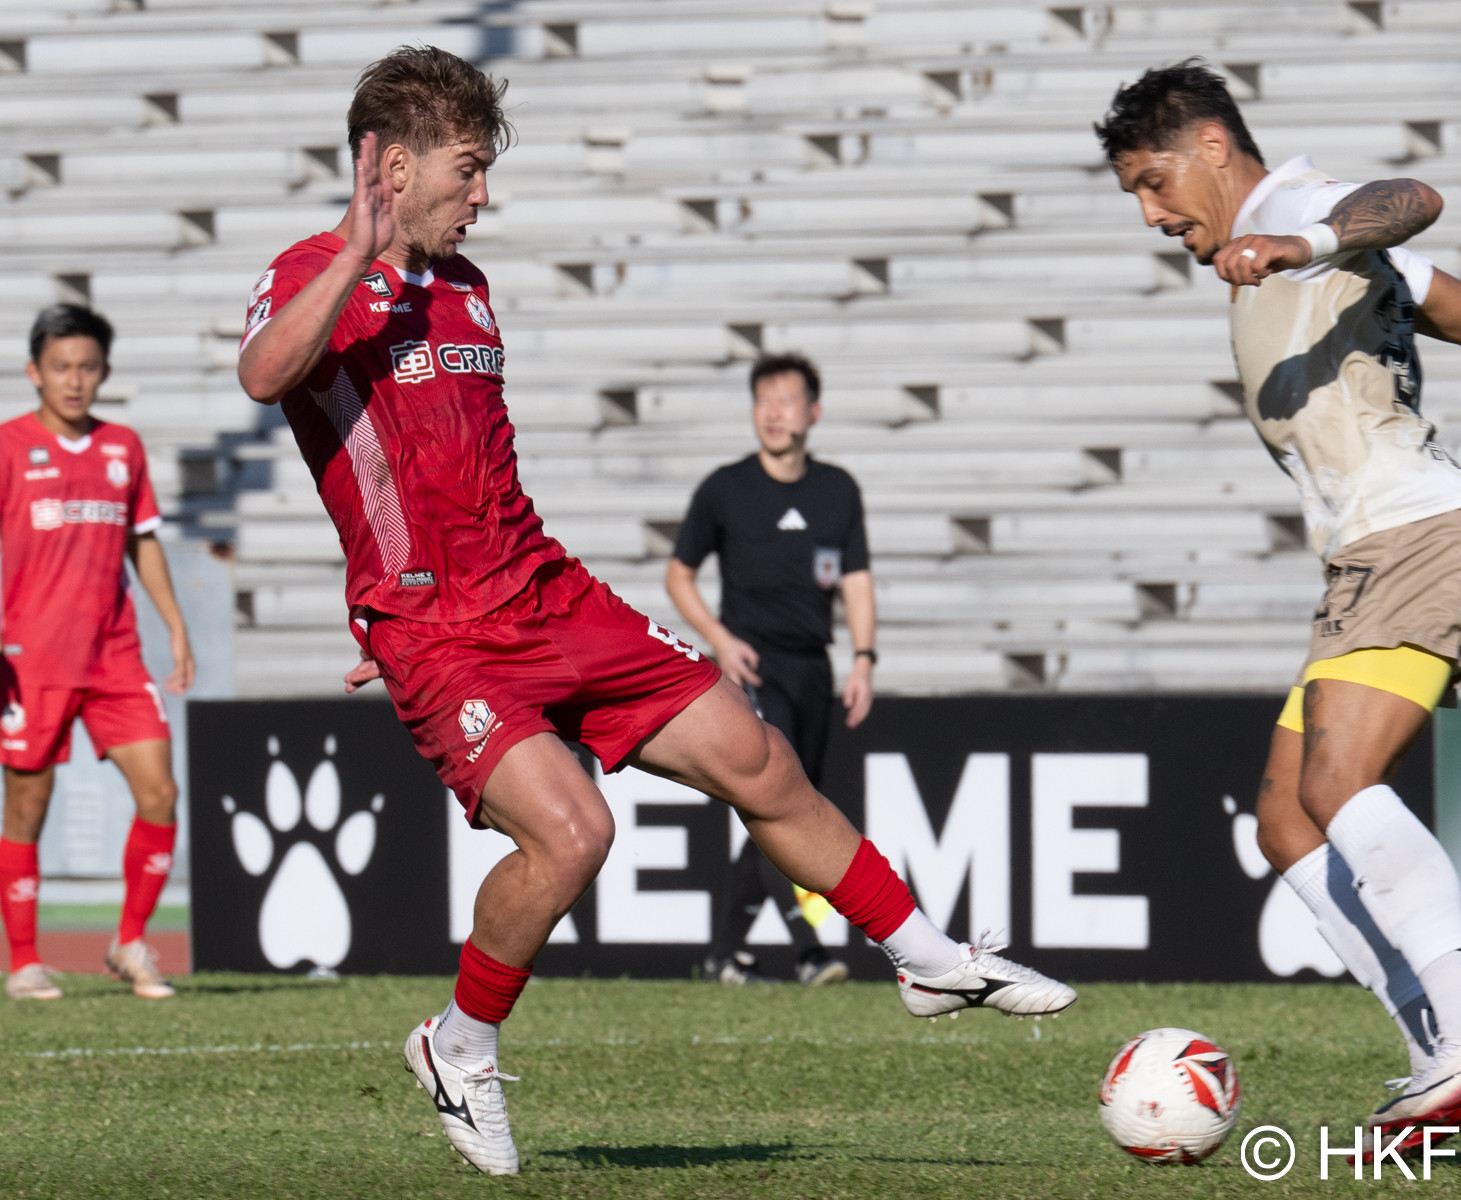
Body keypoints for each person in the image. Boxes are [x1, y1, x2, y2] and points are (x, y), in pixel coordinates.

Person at [235, 47, 1074, 1177]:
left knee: (758, 758)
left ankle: (926, 957)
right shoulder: (310, 273)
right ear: (392, 168)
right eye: (469, 169)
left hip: (545, 593)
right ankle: (458, 1046)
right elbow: (263, 375)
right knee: (576, 833)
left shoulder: (467, 286)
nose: (483, 194)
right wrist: (353, 252)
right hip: (440, 634)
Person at [1097, 60, 1461, 1146]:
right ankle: (1443, 1053)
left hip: (1414, 535)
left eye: (1154, 182)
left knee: (1338, 784)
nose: (1151, 214)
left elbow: (1413, 196)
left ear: (1211, 148)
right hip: (1373, 552)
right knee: (1289, 818)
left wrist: (1298, 242)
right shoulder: (1334, 255)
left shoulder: (1301, 210)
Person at [0, 304, 194, 1002]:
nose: (75, 380)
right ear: (35, 372)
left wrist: (174, 624)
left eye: (87, 367)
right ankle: (26, 961)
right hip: (32, 660)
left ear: (104, 372)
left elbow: (143, 541)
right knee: (27, 806)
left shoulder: (123, 447)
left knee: (160, 793)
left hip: (115, 656)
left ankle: (131, 943)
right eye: (61, 367)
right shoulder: (9, 446)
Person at [667, 352, 873, 988]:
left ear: (814, 412)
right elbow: (679, 574)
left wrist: (863, 659)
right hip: (751, 670)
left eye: (786, 401)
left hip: (813, 668)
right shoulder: (726, 488)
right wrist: (720, 641)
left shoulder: (838, 490)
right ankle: (809, 951)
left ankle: (724, 954)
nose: (773, 414)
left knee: (797, 808)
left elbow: (857, 580)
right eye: (763, 401)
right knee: (776, 801)